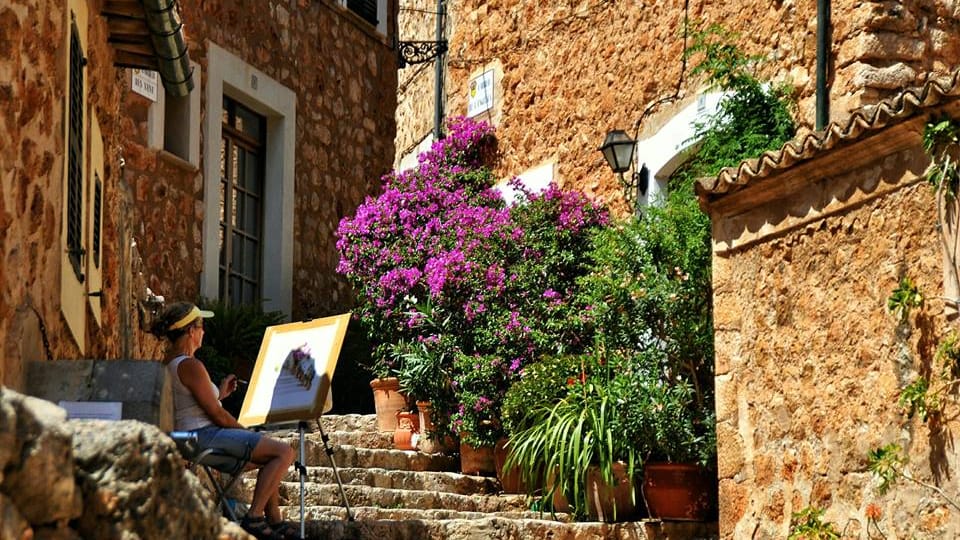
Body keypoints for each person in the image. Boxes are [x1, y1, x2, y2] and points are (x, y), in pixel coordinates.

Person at [151, 302, 297, 540]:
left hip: (189, 438)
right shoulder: (191, 365)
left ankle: (274, 520)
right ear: (190, 331)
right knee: (284, 453)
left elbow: (193, 403)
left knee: (269, 457)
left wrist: (219, 393)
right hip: (203, 435)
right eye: (201, 327)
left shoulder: (169, 364)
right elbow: (216, 415)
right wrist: (246, 432)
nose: (203, 332)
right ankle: (254, 518)